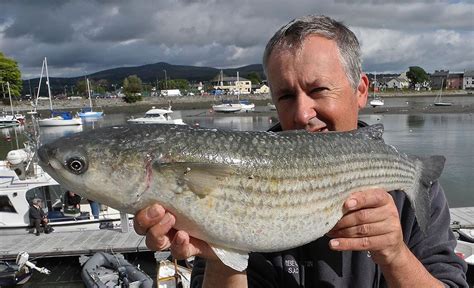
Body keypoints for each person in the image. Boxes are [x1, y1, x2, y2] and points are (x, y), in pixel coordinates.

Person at [133, 15, 468, 287]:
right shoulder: (242, 178)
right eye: (286, 96)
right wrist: (224, 257)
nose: (303, 114)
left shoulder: (409, 182)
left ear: (361, 90)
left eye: (318, 90)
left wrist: (395, 255)